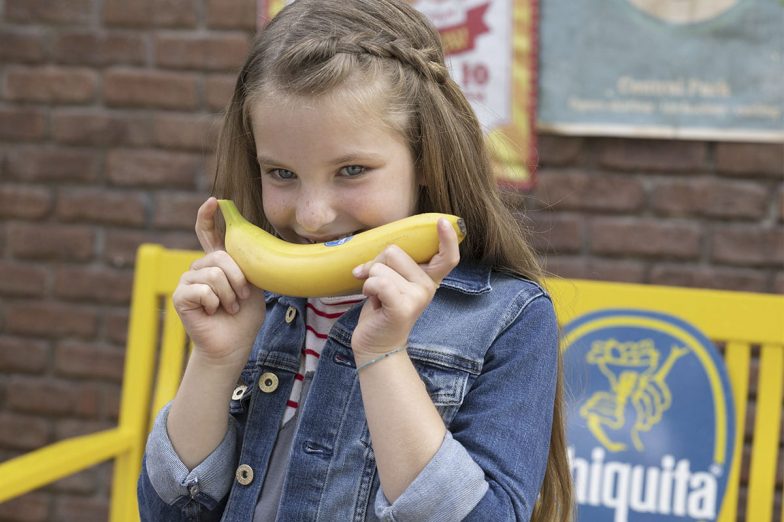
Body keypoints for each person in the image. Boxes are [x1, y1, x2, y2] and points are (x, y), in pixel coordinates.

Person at [137, 0, 572, 520]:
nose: (313, 215)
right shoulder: (255, 304)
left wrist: (383, 355)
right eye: (281, 174)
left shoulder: (508, 319)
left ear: (426, 159)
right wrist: (215, 361)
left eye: (351, 170)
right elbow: (170, 513)